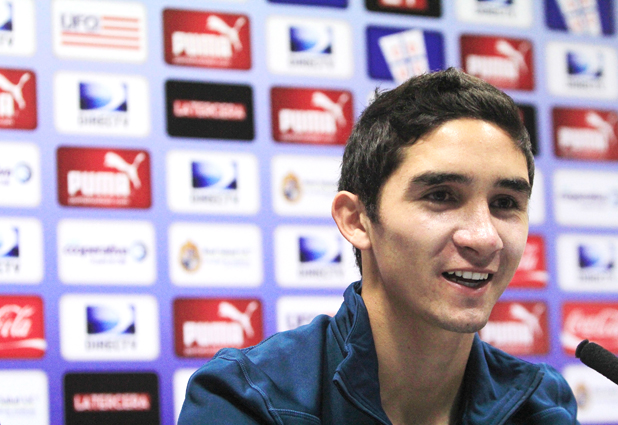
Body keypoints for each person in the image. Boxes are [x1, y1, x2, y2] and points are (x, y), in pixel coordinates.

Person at [178, 68, 579, 425]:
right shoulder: (246, 397)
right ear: (356, 220)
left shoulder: (543, 405)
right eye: (441, 196)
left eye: (505, 203)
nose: (485, 237)